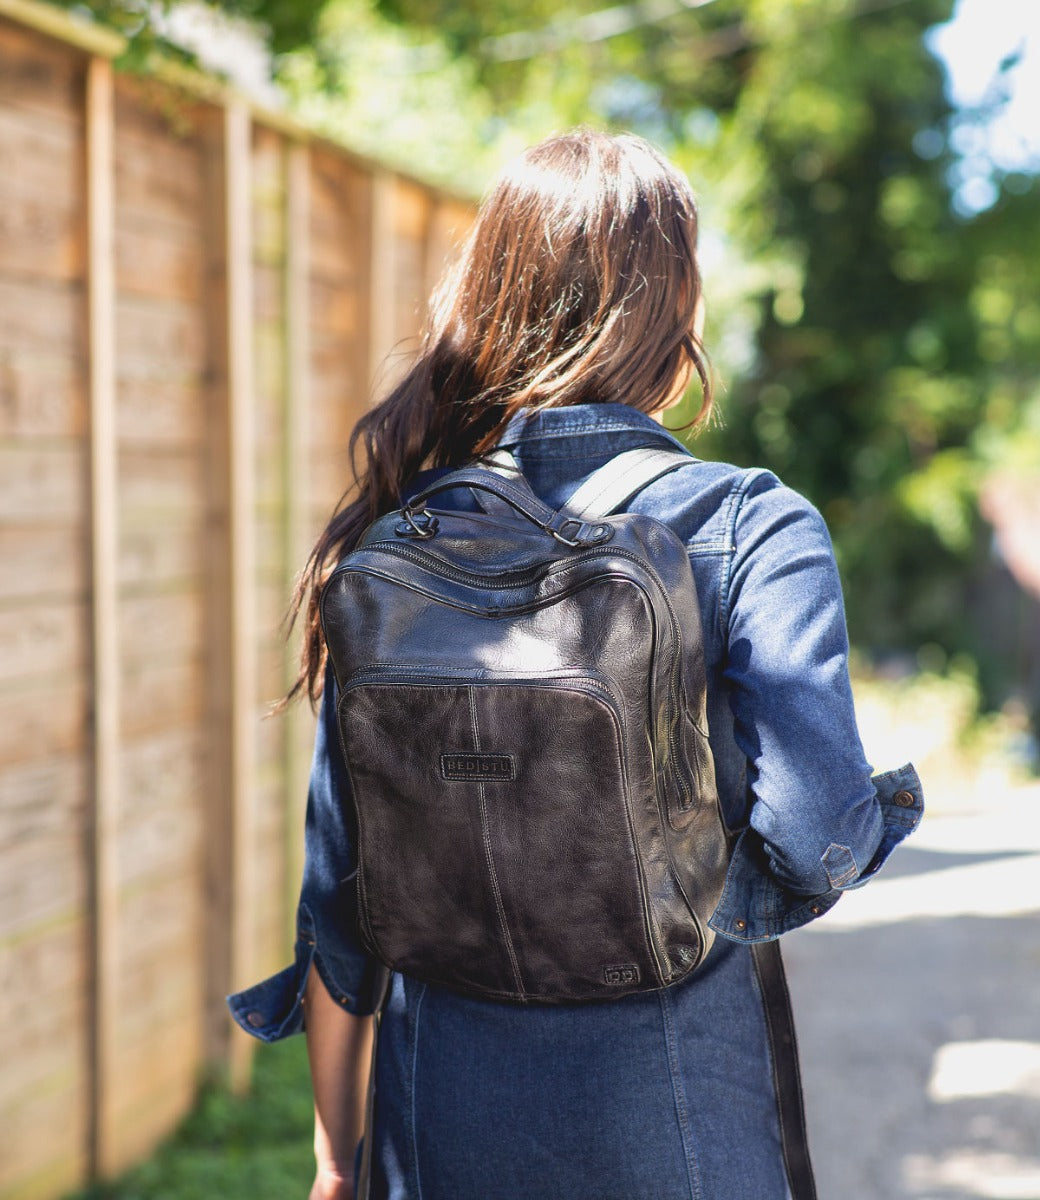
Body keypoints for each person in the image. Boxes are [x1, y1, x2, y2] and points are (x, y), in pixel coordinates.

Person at [227, 128, 923, 1200]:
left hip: (434, 1123)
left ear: (491, 295)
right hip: (676, 1116)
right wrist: (674, 889)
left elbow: (340, 903)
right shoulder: (747, 525)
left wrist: (336, 1154)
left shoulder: (394, 550)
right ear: (675, 305)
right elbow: (815, 832)